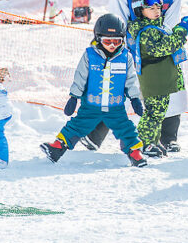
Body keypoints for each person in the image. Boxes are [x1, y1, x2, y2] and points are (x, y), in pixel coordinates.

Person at [98, 0, 184, 152]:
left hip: (162, 46)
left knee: (171, 88)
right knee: (120, 89)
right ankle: (98, 135)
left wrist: (160, 43)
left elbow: (172, 19)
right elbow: (118, 19)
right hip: (129, 46)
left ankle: (168, 137)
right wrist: (129, 49)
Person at [40, 14, 147, 168]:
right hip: (90, 106)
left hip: (115, 107)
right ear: (98, 38)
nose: (112, 45)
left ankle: (135, 154)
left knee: (126, 128)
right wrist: (74, 97)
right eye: (107, 41)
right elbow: (80, 77)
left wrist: (135, 98)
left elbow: (131, 80)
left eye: (116, 41)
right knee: (75, 126)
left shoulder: (126, 57)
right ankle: (57, 148)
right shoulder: (90, 55)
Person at [127, 0, 188, 156]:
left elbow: (170, 40)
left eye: (158, 7)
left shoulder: (156, 27)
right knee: (153, 113)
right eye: (151, 8)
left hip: (162, 79)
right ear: (140, 10)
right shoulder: (144, 31)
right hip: (154, 80)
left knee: (159, 113)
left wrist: (185, 27)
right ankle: (144, 143)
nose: (156, 11)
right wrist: (180, 31)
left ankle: (153, 141)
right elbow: (163, 47)